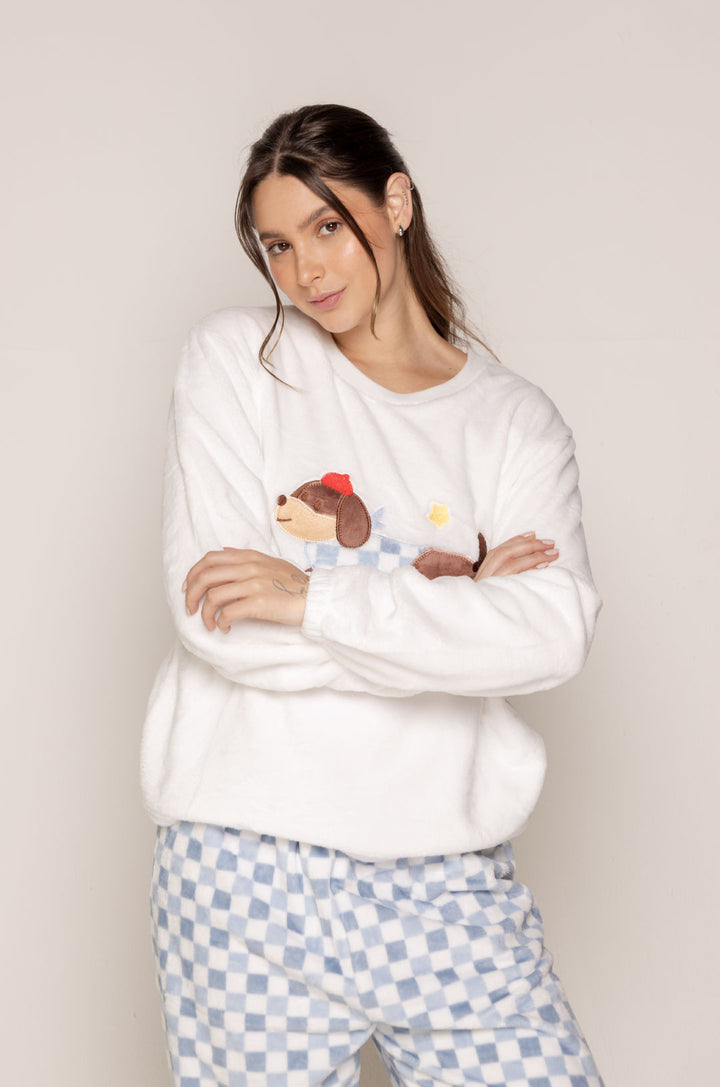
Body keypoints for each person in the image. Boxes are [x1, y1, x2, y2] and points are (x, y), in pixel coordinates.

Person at [143, 104, 605, 1086]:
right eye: (278, 244)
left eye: (327, 225)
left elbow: (552, 634)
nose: (306, 270)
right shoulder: (238, 361)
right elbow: (217, 618)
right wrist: (458, 609)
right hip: (246, 872)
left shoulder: (512, 423)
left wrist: (310, 596)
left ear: (395, 203)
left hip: (448, 881)